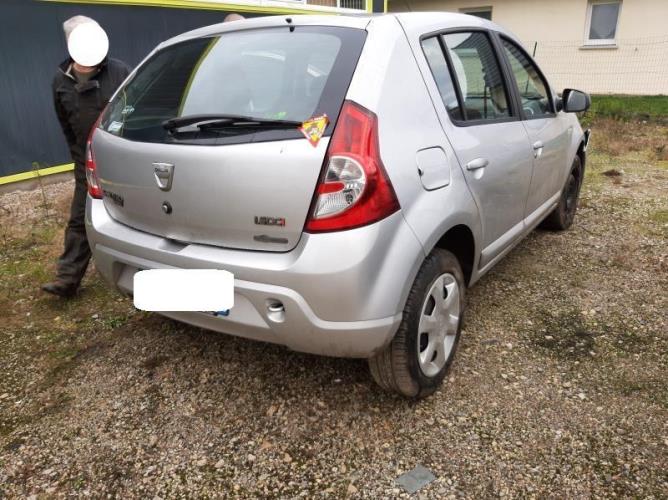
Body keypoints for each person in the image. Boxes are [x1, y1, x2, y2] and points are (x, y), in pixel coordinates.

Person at [42, 16, 131, 297]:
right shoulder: (61, 80)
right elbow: (66, 125)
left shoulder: (119, 72)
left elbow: (133, 110)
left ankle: (138, 268)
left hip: (121, 159)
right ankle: (67, 278)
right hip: (86, 161)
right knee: (80, 216)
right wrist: (80, 160)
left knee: (134, 214)